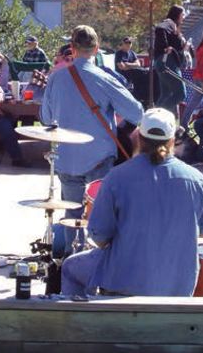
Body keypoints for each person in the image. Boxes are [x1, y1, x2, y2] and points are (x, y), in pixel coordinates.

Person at [61, 107, 203, 297]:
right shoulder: (197, 179)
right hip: (178, 288)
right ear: (172, 141)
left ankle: (85, 323)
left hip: (125, 285)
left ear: (139, 139)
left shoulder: (116, 178)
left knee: (70, 268)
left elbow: (99, 236)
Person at [40, 25, 143, 255]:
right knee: (103, 213)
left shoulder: (56, 78)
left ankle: (71, 261)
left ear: (73, 49)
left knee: (71, 215)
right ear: (96, 49)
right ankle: (103, 258)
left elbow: (46, 118)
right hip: (99, 160)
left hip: (65, 158)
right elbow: (137, 113)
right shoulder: (103, 78)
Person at [152, 5, 187, 112]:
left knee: (166, 94)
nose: (184, 17)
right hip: (168, 63)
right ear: (177, 15)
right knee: (181, 94)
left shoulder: (173, 26)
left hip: (162, 62)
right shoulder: (169, 23)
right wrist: (165, 47)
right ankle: (158, 114)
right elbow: (160, 28)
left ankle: (153, 120)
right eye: (183, 14)